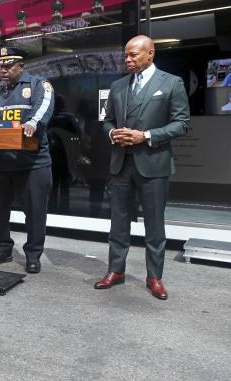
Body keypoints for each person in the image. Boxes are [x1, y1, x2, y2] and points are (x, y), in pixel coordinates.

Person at [94, 35, 190, 300]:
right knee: (119, 222)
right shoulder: (117, 86)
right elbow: (107, 121)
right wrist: (113, 134)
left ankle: (154, 277)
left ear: (150, 54)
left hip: (154, 164)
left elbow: (181, 124)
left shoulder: (171, 83)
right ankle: (116, 270)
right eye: (126, 55)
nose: (128, 59)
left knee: (154, 225)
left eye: (134, 55)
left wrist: (145, 136)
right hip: (121, 163)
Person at [0, 47, 54, 273]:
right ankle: (2, 248)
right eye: (1, 66)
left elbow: (43, 108)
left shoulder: (38, 85)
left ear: (21, 66)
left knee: (35, 211)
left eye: (9, 66)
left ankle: (33, 253)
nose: (4, 70)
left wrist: (32, 123)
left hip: (32, 162)